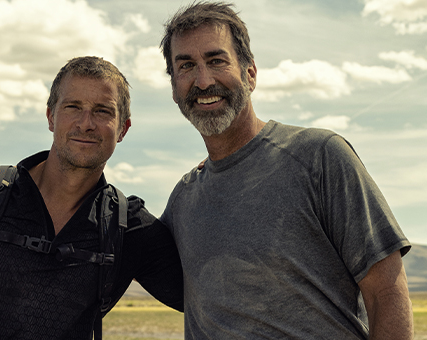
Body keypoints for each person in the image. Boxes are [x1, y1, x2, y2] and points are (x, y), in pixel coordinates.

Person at [159, 2, 413, 339]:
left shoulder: (319, 157)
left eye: (216, 60)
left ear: (250, 73)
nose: (203, 81)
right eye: (186, 66)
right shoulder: (184, 199)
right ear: (174, 86)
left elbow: (386, 292)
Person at [0, 56, 183, 340]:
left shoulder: (128, 228)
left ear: (123, 129)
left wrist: (221, 172)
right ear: (50, 116)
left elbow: (209, 299)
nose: (86, 123)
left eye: (102, 111)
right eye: (73, 107)